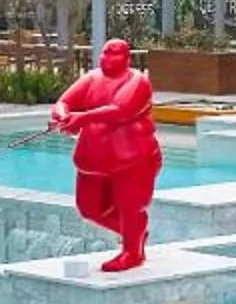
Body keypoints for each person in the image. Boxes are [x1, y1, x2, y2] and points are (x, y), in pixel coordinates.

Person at [49, 37, 162, 271]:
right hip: (92, 160)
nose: (107, 58)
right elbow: (64, 101)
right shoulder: (92, 78)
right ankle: (134, 233)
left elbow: (120, 110)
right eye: (105, 53)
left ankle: (132, 252)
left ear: (127, 58)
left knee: (129, 205)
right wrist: (63, 116)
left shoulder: (138, 81)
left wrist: (82, 117)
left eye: (114, 54)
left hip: (132, 158)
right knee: (89, 208)